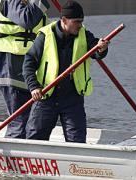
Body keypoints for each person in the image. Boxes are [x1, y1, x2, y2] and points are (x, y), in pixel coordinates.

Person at [23, 0, 109, 143]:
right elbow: (28, 63)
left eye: (81, 21)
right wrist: (34, 87)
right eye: (76, 21)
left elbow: (96, 51)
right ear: (64, 20)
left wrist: (102, 48)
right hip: (46, 97)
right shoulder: (45, 36)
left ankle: (76, 165)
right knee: (35, 139)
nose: (80, 25)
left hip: (72, 98)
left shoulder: (84, 34)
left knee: (77, 141)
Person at [0, 0, 50, 138]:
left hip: (27, 65)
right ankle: (13, 158)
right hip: (10, 64)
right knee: (20, 120)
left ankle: (27, 155)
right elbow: (27, 20)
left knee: (31, 119)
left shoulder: (32, 3)